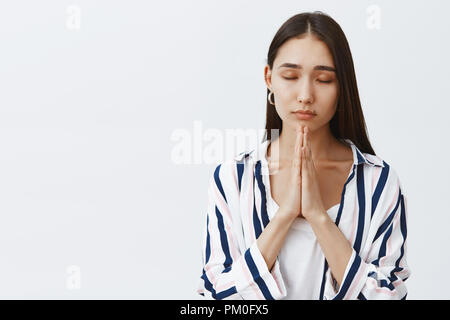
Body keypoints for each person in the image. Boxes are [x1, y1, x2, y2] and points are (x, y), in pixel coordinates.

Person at [197, 11, 410, 300]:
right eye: (290, 76)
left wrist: (317, 216)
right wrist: (284, 215)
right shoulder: (233, 178)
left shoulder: (378, 182)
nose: (305, 94)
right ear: (269, 79)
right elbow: (215, 296)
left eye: (323, 79)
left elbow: (389, 295)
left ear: (341, 86)